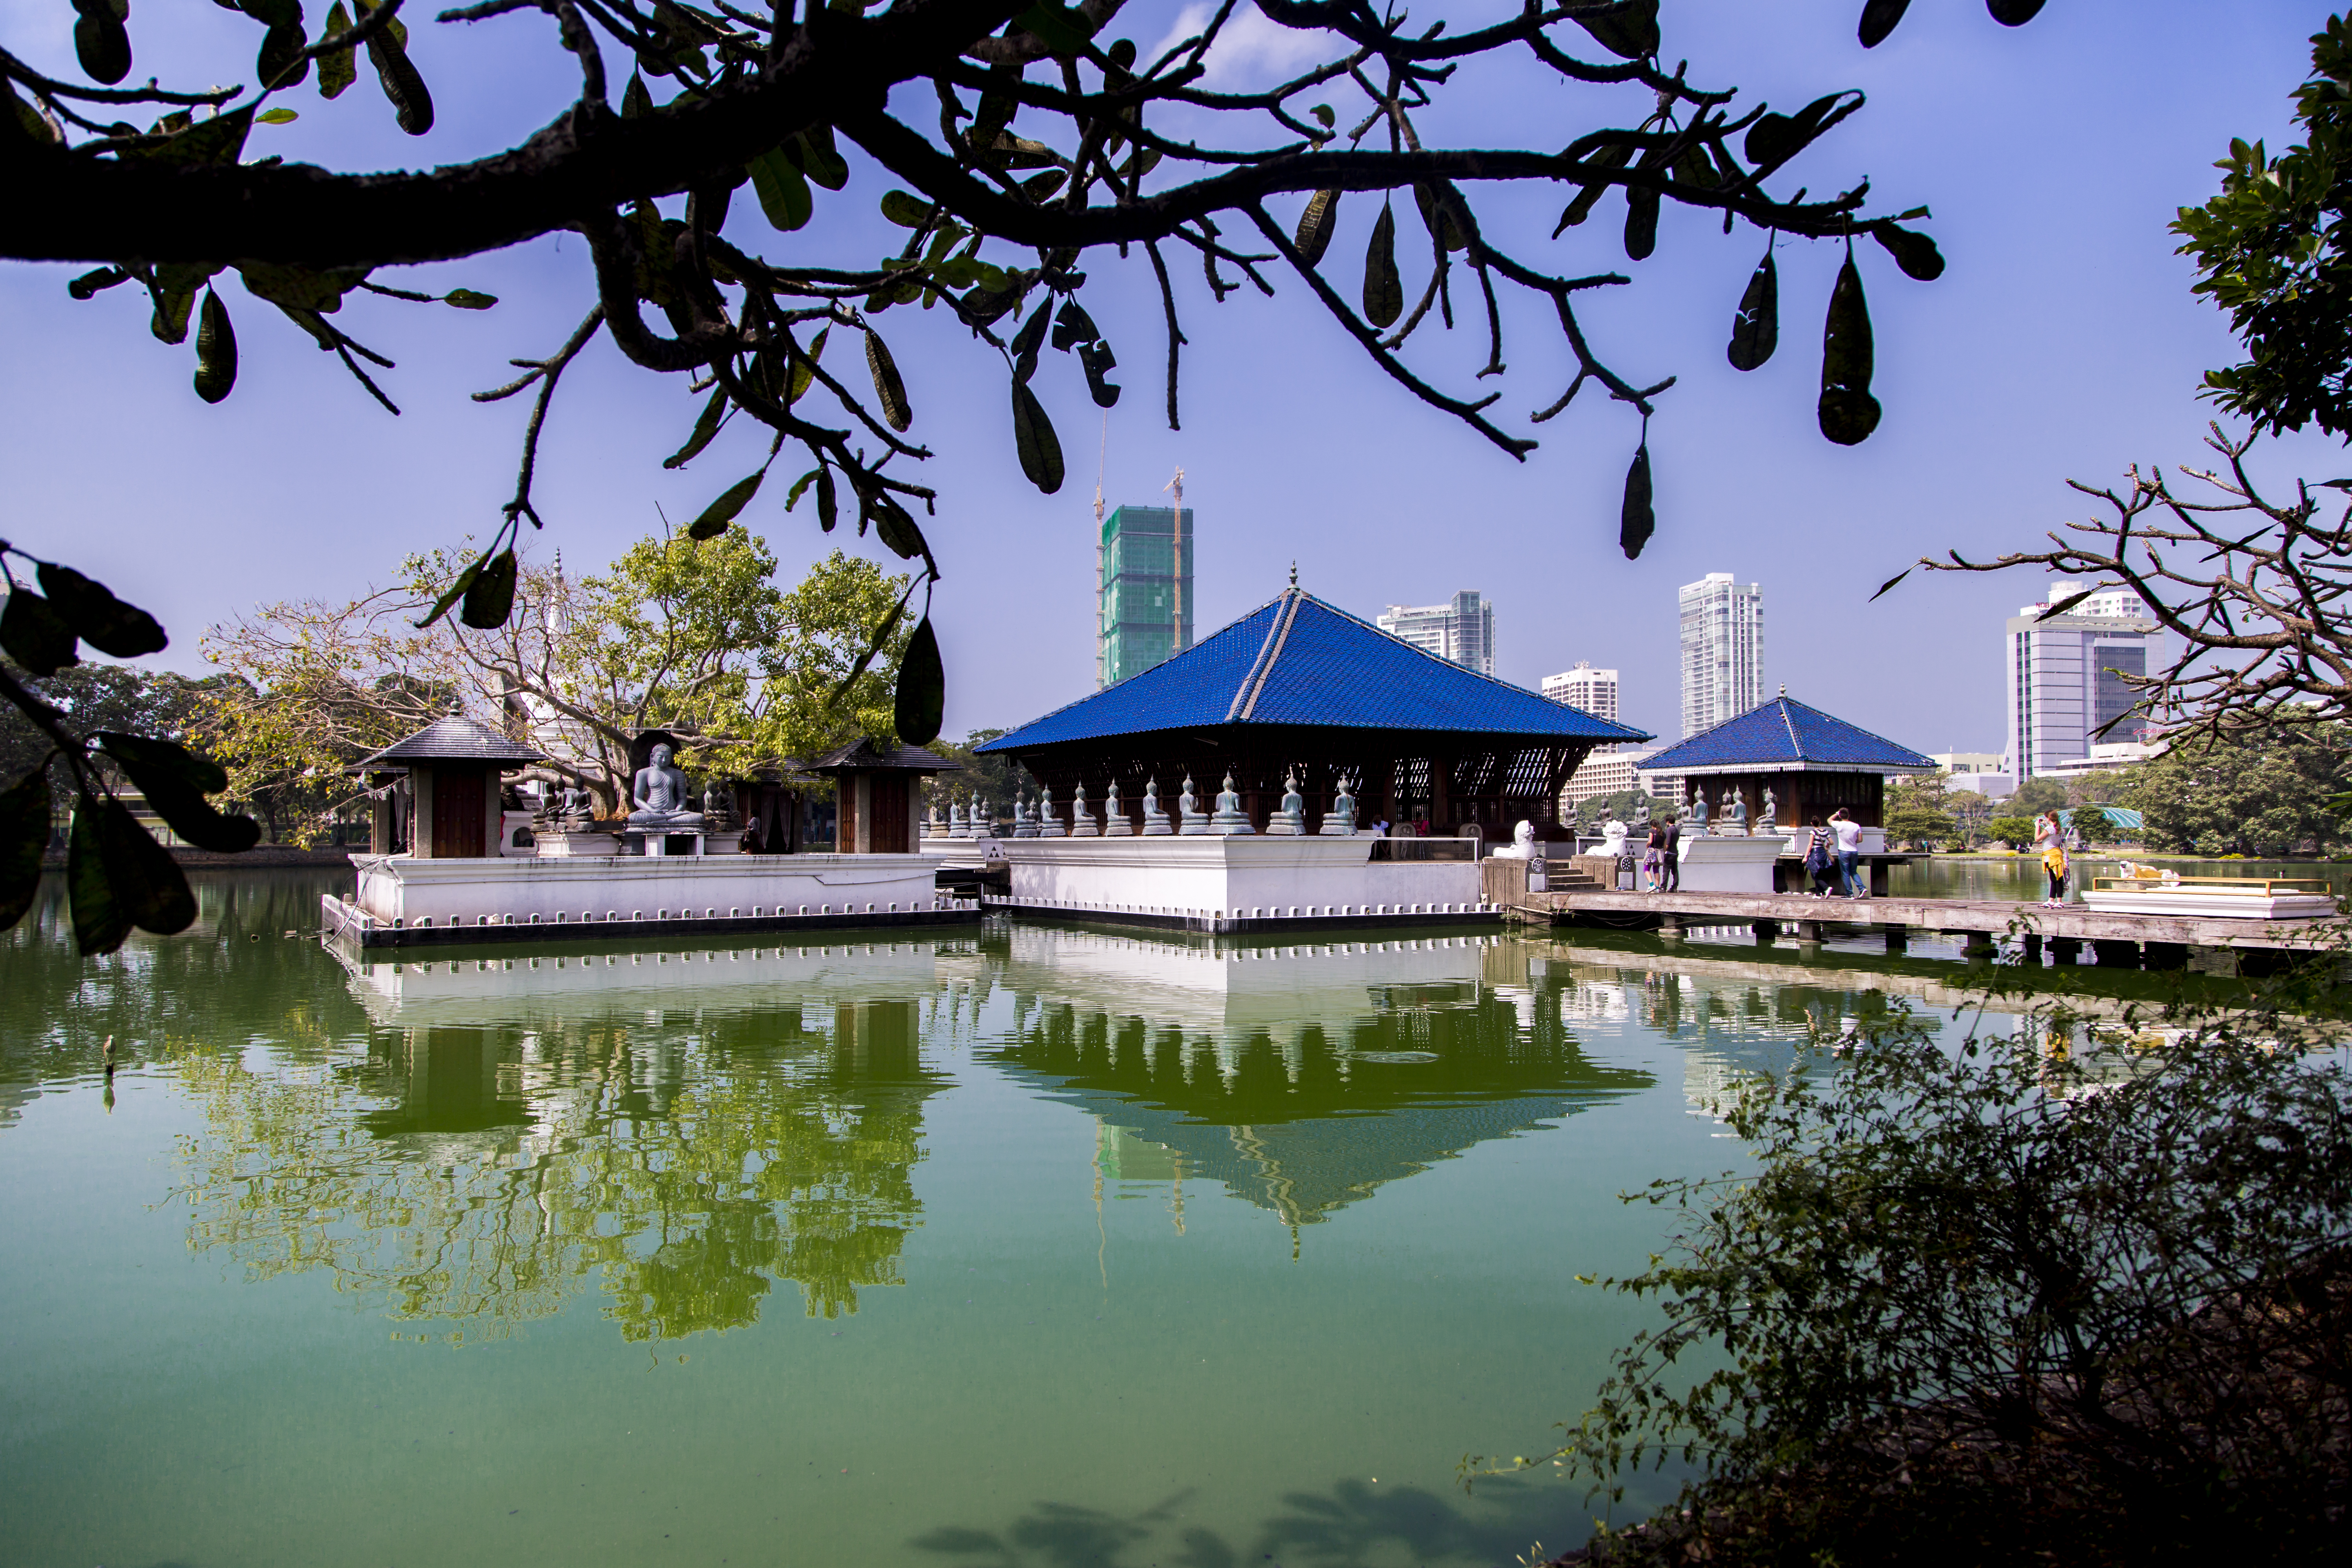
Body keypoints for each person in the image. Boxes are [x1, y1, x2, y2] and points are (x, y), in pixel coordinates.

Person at [1829, 807, 1867, 900]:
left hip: (1844, 852)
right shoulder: (1856, 826)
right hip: (1854, 852)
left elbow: (1829, 820)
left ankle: (1850, 894)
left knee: (1846, 873)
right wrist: (1853, 841)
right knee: (1853, 871)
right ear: (1849, 816)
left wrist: (1837, 813)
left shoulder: (1839, 825)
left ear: (1841, 816)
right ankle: (1862, 888)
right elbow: (1860, 840)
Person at [2035, 810, 2068, 906]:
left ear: (2048, 818)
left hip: (2052, 856)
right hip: (2052, 855)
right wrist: (2045, 826)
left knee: (2057, 878)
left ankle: (2060, 902)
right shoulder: (2056, 828)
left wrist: (2037, 827)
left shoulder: (2050, 829)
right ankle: (2051, 900)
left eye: (2046, 818)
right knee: (2054, 878)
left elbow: (2037, 839)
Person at [1803, 815, 1840, 897]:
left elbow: (1810, 845)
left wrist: (1806, 856)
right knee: (1820, 873)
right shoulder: (1825, 831)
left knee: (1814, 874)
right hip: (1823, 853)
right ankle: (1818, 894)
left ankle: (1826, 888)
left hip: (1815, 853)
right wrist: (1828, 844)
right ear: (1820, 823)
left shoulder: (1813, 832)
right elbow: (1832, 842)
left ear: (1812, 824)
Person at [1659, 811, 1682, 893]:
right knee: (1675, 871)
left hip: (1670, 853)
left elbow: (1668, 842)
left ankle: (1663, 887)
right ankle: (1675, 887)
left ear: (1668, 822)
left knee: (1666, 870)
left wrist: (1665, 851)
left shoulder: (1669, 830)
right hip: (1675, 852)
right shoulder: (1676, 830)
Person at [1642, 817, 1666, 891]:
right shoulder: (1663, 833)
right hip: (1660, 853)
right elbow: (1665, 846)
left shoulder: (1652, 831)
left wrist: (1647, 845)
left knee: (1646, 869)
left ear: (1652, 826)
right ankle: (1657, 888)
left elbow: (1650, 841)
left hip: (1652, 853)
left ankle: (1652, 885)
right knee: (1656, 870)